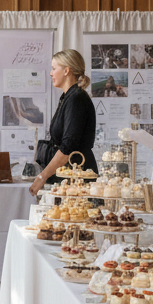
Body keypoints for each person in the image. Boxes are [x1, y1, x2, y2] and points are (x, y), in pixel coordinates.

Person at [29, 49, 97, 196]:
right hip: (70, 176)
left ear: (66, 71)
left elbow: (68, 147)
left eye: (54, 68)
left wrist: (42, 177)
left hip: (77, 179)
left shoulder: (76, 99)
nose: (51, 73)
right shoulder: (68, 97)